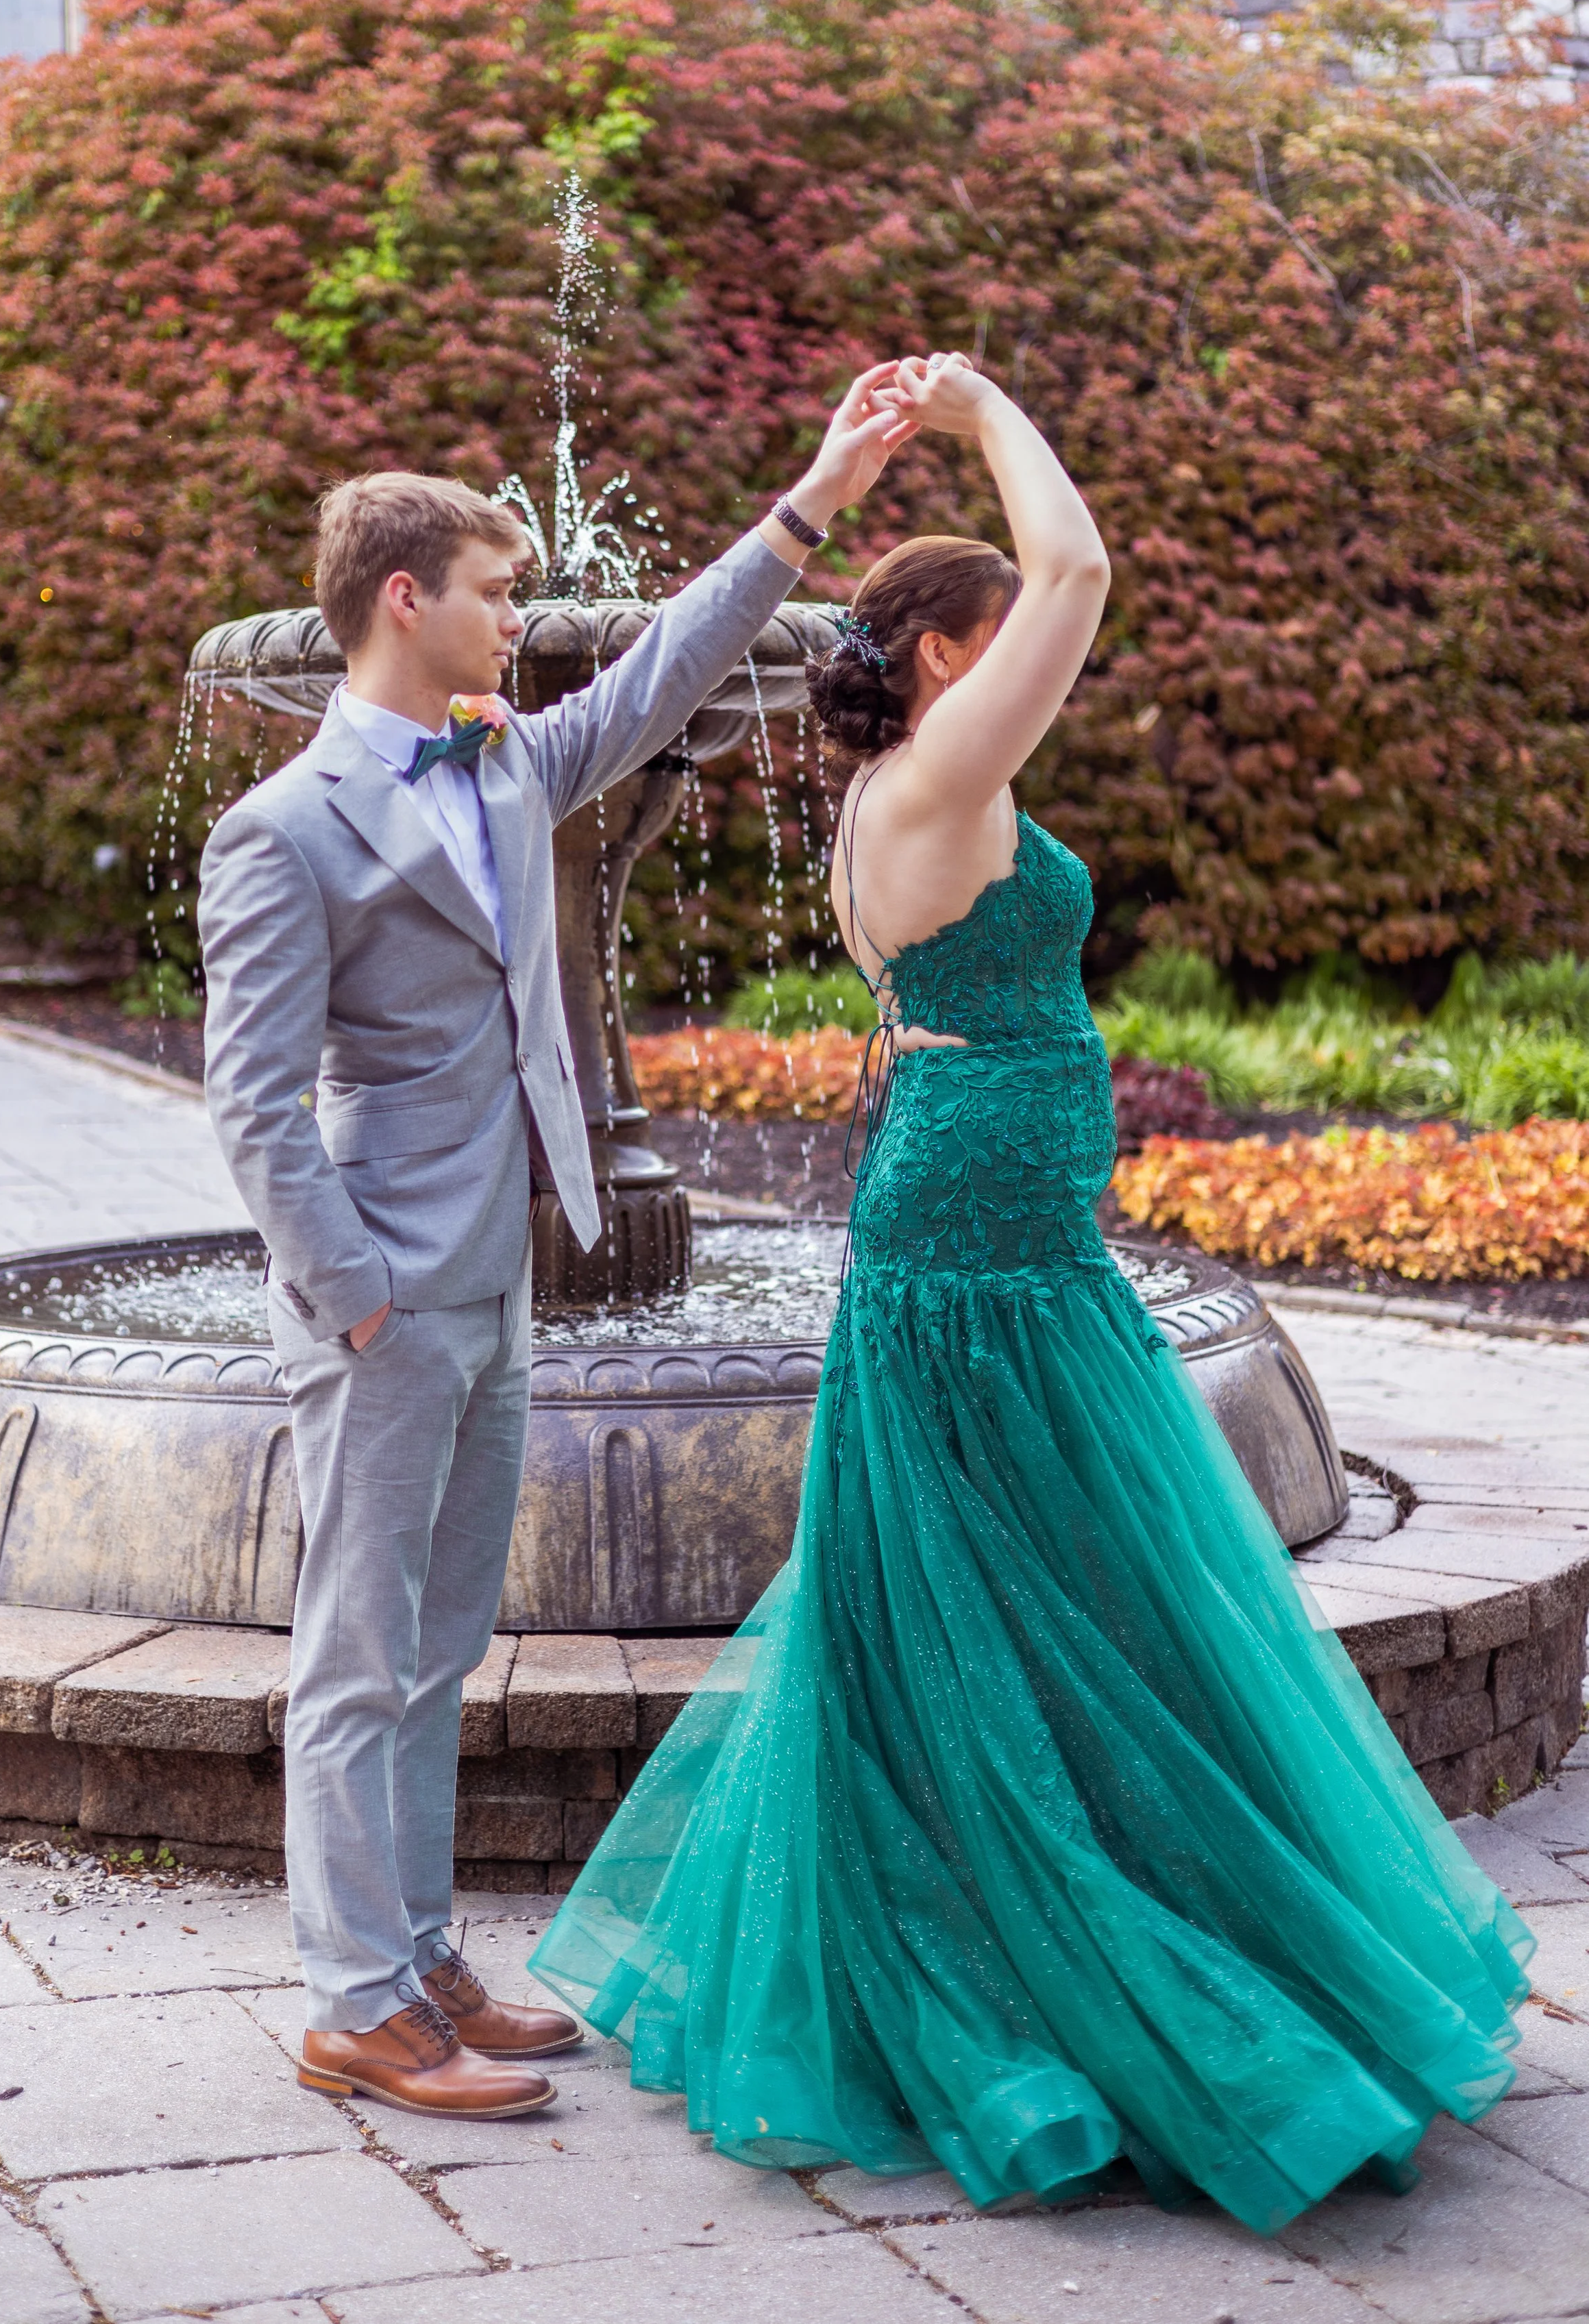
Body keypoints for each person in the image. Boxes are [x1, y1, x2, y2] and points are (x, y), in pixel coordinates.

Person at [530, 353, 1533, 2229]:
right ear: (937, 658)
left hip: (986, 1235)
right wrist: (984, 414)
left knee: (1027, 1583)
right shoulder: (938, 771)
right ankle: (1071, 1975)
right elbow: (1074, 576)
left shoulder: (920, 782)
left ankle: (1071, 1895)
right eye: (987, 644)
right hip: (983, 1253)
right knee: (1025, 1582)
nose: (1029, 669)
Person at [197, 364, 917, 2121]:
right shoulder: (282, 828)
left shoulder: (512, 759)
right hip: (380, 1295)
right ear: (401, 600)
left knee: (439, 1648)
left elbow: (669, 657)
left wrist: (812, 494)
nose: (516, 614)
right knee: (358, 1655)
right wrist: (352, 1295)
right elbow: (253, 1102)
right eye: (495, 591)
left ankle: (422, 1950)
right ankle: (352, 1999)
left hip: (500, 1273)